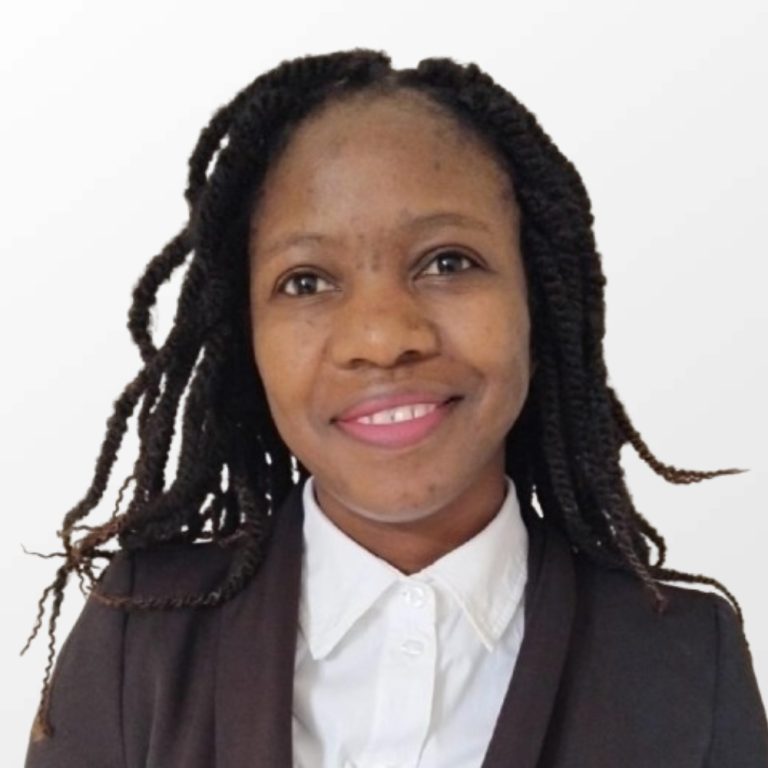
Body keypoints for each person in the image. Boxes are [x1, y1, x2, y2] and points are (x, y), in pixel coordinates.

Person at [23, 48, 768, 767]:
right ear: (247, 337)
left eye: (448, 262)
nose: (382, 339)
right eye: (306, 281)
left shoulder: (682, 660)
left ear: (537, 305)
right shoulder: (142, 634)